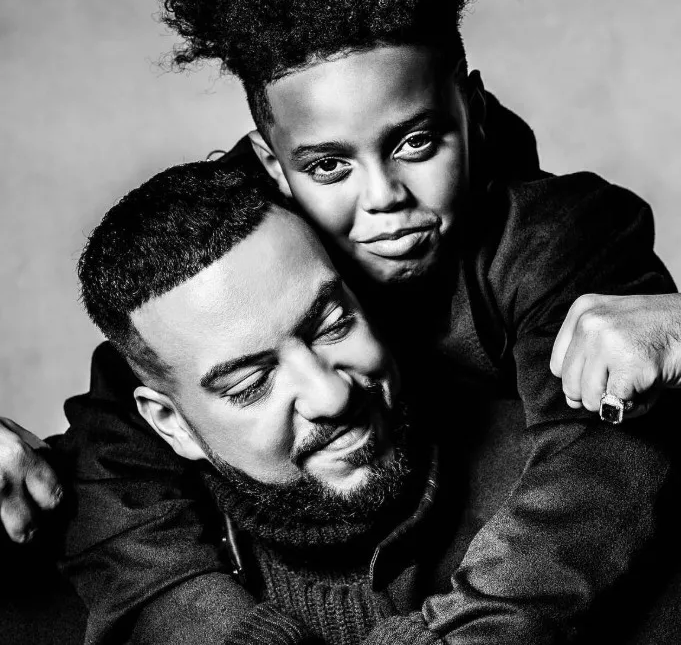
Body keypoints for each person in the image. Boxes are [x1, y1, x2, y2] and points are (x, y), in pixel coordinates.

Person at [2, 0, 681, 641]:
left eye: (416, 141)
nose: (384, 197)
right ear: (274, 167)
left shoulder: (552, 238)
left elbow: (593, 475)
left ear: (472, 111)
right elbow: (118, 447)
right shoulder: (236, 243)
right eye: (328, 165)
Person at [69, 155, 681, 644]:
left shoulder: (588, 485)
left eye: (333, 323)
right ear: (170, 424)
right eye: (251, 383)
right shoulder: (85, 547)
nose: (331, 395)